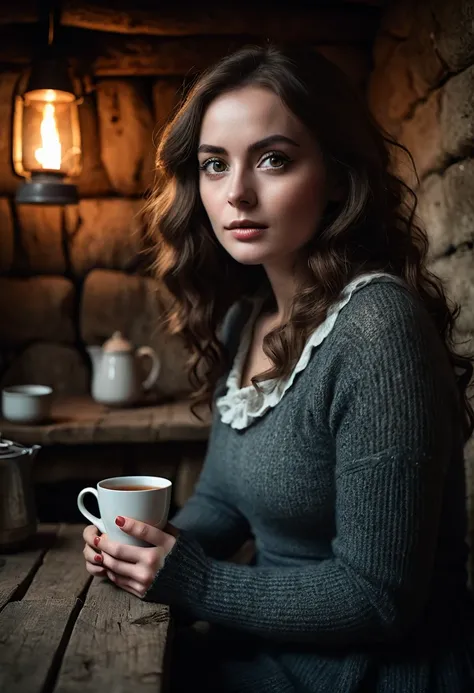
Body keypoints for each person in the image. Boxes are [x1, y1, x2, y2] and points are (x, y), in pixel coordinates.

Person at [82, 45, 474, 692]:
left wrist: (192, 578)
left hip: (373, 675)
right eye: (214, 165)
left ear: (339, 175)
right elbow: (221, 501)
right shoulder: (246, 322)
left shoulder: (378, 329)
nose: (236, 191)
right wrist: (145, 543)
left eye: (273, 159)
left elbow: (379, 598)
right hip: (264, 653)